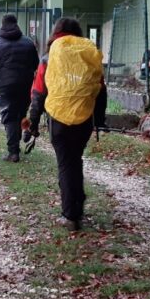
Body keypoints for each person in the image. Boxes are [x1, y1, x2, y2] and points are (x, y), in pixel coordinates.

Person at [26, 17, 107, 231]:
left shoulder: (48, 57)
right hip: (84, 119)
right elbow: (100, 90)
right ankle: (77, 204)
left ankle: (71, 215)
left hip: (58, 119)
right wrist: (99, 121)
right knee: (75, 159)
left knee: (66, 163)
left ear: (56, 33)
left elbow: (38, 93)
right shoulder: (88, 55)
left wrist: (33, 122)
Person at [0, 14, 40, 162]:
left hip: (7, 85)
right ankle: (21, 137)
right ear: (16, 23)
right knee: (20, 113)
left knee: (9, 116)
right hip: (26, 84)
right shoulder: (28, 43)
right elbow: (36, 65)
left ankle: (13, 152)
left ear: (2, 25)